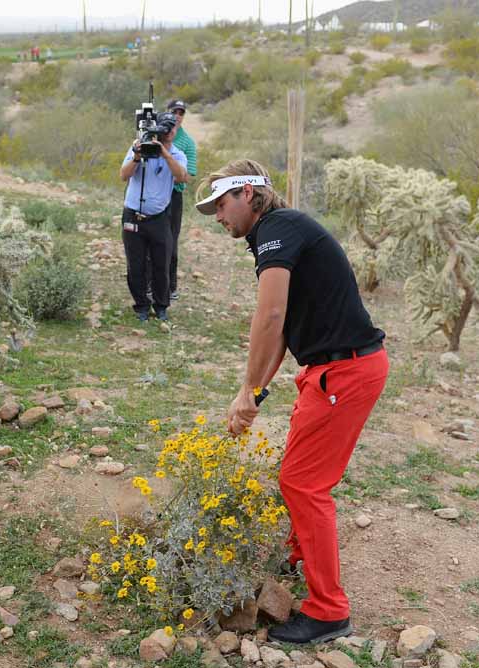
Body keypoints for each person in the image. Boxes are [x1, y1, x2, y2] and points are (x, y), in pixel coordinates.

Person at [195, 159, 388, 645]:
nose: (218, 216)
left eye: (221, 203)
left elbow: (270, 313)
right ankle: (300, 555)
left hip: (344, 372)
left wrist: (245, 389)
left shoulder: (277, 228)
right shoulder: (278, 232)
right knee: (300, 475)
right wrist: (256, 391)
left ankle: (328, 611)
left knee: (304, 484)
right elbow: (282, 324)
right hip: (331, 372)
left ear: (248, 195)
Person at [119, 111, 188, 322]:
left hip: (159, 217)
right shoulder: (140, 147)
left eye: (172, 127)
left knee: (161, 263)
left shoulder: (177, 155)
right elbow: (123, 175)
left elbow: (181, 177)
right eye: (165, 127)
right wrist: (138, 156)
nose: (169, 131)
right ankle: (141, 305)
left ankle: (161, 306)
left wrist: (164, 153)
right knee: (136, 264)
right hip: (133, 214)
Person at [166, 99, 197, 300]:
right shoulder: (157, 133)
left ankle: (171, 286)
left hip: (173, 194)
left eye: (181, 112)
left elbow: (190, 173)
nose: (178, 115)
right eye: (174, 111)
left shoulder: (187, 142)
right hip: (152, 193)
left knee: (171, 239)